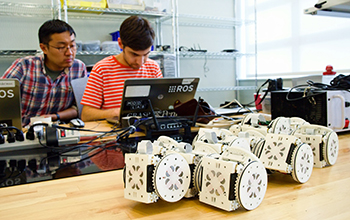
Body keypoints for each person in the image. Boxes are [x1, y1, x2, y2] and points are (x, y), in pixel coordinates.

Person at [2, 19, 87, 127]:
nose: (69, 53)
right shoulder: (24, 66)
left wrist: (54, 116)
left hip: (59, 130)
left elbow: (79, 108)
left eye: (72, 45)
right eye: (61, 47)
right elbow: (3, 100)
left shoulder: (79, 68)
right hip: (24, 131)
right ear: (44, 48)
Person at [80, 15, 162, 122]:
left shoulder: (153, 67)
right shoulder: (102, 69)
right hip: (116, 134)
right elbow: (86, 115)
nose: (140, 62)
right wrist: (115, 112)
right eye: (134, 54)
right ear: (120, 44)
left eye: (146, 54)